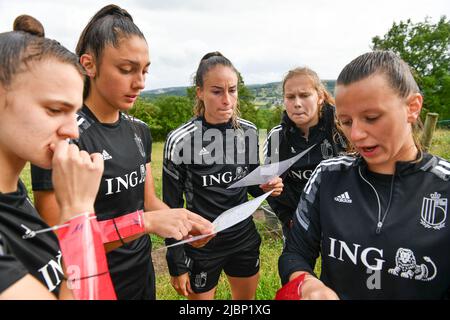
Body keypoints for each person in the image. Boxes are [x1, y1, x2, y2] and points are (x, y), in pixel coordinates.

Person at [30, 5, 212, 300]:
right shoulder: (64, 136)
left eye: (144, 70)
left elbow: (148, 201)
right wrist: (145, 224)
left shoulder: (138, 130)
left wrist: (186, 223)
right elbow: (58, 241)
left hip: (141, 276)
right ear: (89, 65)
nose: (140, 82)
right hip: (90, 284)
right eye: (126, 69)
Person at [278, 51, 450, 299]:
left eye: (371, 118)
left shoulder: (443, 186)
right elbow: (294, 253)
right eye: (345, 122)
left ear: (412, 108)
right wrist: (307, 284)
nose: (356, 134)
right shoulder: (328, 176)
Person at [163, 52, 284, 300]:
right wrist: (176, 262)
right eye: (217, 91)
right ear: (200, 92)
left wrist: (269, 186)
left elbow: (251, 184)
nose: (227, 100)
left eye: (233, 90)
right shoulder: (181, 140)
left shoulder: (247, 131)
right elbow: (170, 207)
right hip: (202, 246)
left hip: (244, 240)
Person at [264, 67, 346, 239]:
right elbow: (270, 186)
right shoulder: (277, 137)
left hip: (340, 219)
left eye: (305, 95)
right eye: (290, 97)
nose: (297, 103)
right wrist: (288, 219)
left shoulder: (342, 130)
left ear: (320, 97)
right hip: (297, 221)